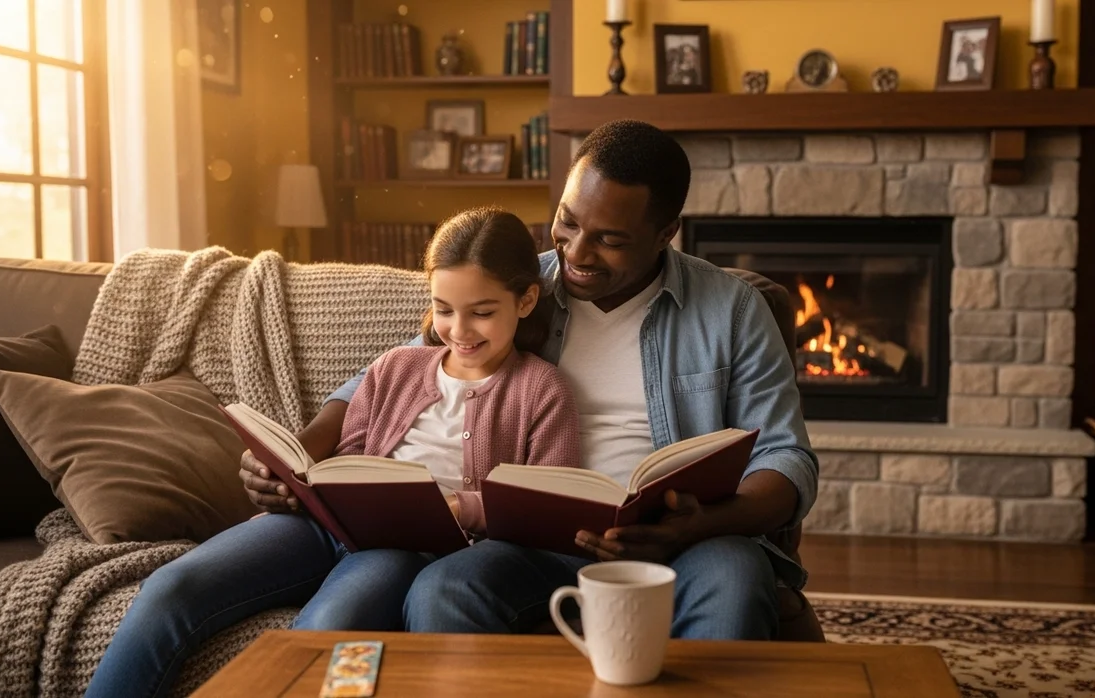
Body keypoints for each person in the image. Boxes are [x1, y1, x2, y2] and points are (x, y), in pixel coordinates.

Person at [246, 119, 819, 641]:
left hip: (689, 538)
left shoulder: (732, 310)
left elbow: (786, 457)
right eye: (568, 222)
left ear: (666, 232)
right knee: (445, 587)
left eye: (610, 239)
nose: (576, 252)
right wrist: (295, 457)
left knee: (736, 581)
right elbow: (390, 378)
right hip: (538, 541)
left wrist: (699, 525)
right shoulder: (519, 287)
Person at [85, 208, 581, 698]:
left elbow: (543, 503)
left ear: (525, 300)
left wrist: (461, 508)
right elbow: (351, 454)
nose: (459, 329)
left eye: (482, 312)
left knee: (327, 628)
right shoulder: (396, 367)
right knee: (171, 588)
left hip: (407, 549)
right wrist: (296, 477)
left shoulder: (542, 390)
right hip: (323, 527)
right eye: (445, 309)